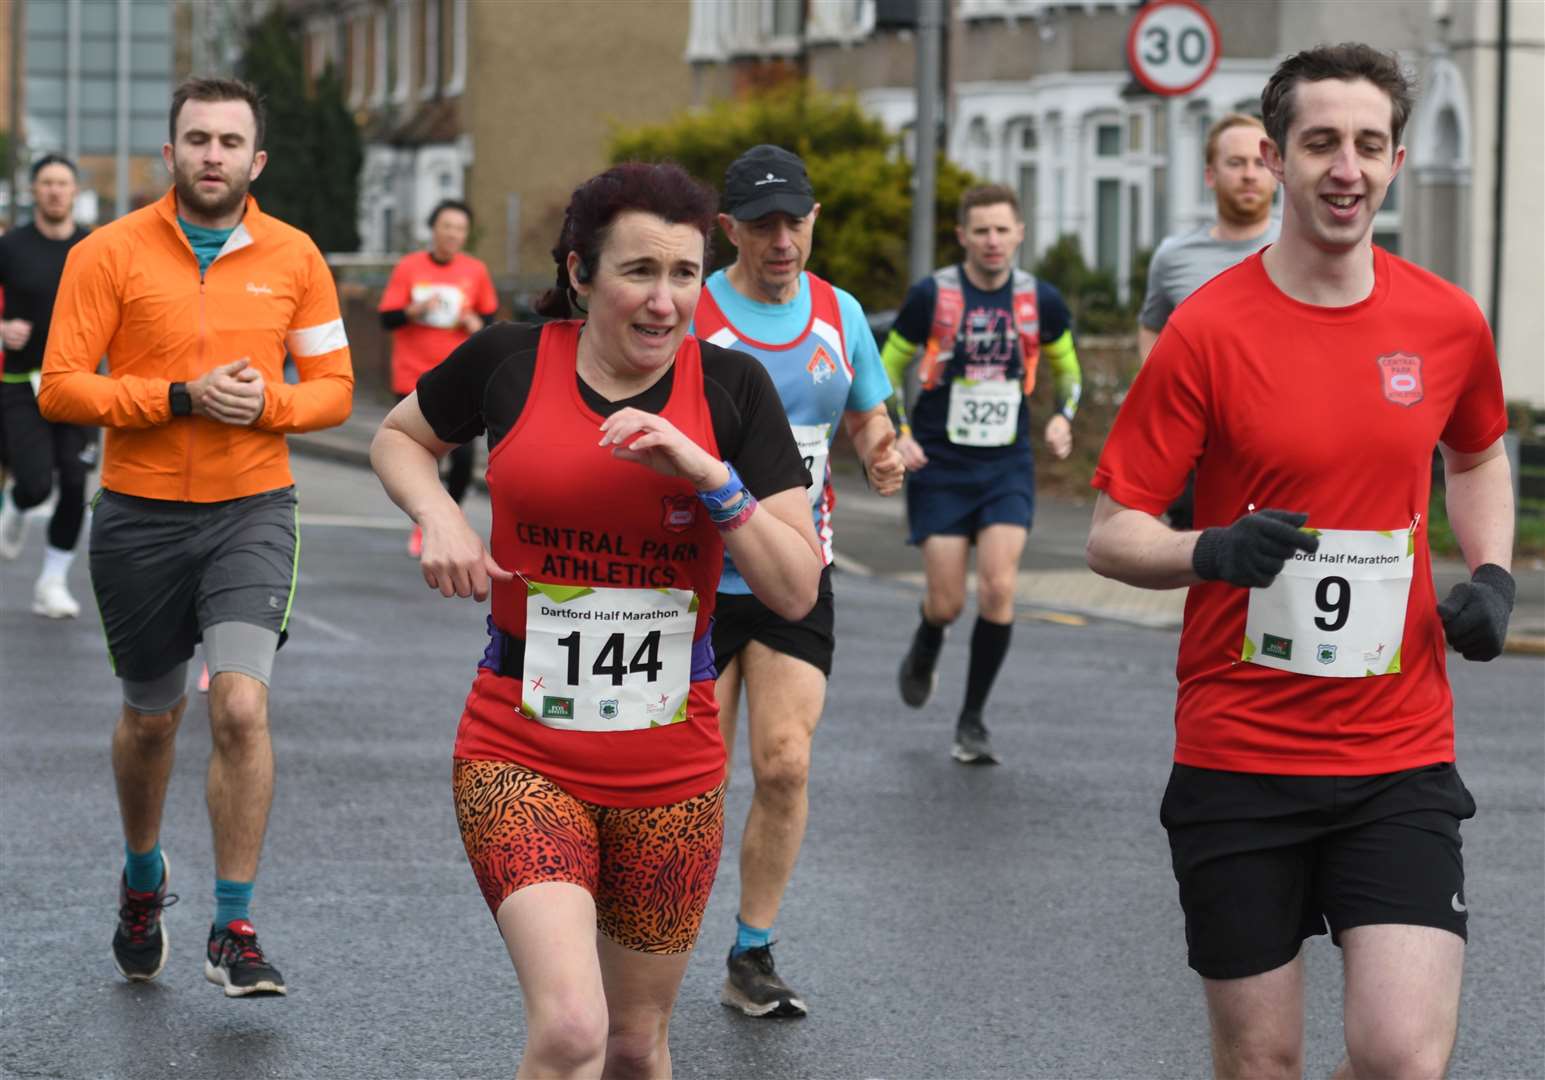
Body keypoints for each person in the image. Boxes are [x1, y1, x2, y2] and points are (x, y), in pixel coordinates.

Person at [1085, 44, 1515, 1080]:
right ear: (1277, 158)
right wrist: (1209, 551)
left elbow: (1480, 454)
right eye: (1321, 142)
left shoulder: (1446, 320)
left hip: (1397, 752)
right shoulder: (1209, 330)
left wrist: (1494, 571)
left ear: (1397, 160)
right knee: (1263, 1061)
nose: (1346, 167)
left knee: (1403, 1056)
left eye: (1368, 145)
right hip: (1241, 753)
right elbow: (1111, 528)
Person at [370, 161, 822, 1077]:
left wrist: (711, 480)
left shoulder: (731, 391)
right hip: (519, 743)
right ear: (580, 274)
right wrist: (441, 515)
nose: (664, 302)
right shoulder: (509, 360)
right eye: (638, 273)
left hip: (673, 760)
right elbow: (399, 435)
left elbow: (794, 590)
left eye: (685, 275)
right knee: (572, 1027)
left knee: (634, 1043)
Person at [39, 77, 354, 997]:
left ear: (255, 161)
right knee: (151, 720)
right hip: (137, 515)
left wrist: (273, 405)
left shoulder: (296, 257)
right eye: (195, 139)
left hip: (252, 509)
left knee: (242, 706)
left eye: (229, 141)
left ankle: (234, 924)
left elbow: (333, 388)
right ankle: (143, 877)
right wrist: (175, 397)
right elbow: (61, 385)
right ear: (167, 155)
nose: (211, 155)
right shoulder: (108, 253)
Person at [691, 144, 905, 1018]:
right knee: (690, 784)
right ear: (729, 228)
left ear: (813, 221)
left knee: (782, 766)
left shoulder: (837, 311)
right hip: (697, 584)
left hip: (795, 581)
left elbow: (867, 416)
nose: (782, 239)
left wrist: (885, 453)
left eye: (795, 221)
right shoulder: (695, 311)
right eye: (762, 223)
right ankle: (643, 939)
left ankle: (752, 952)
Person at [883, 184, 1082, 764]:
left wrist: (1063, 419)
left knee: (998, 586)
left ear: (1020, 233)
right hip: (941, 465)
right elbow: (886, 367)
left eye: (1003, 230)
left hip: (1006, 465)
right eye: (982, 231)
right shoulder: (933, 296)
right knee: (947, 603)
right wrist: (901, 431)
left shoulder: (1038, 300)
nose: (993, 241)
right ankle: (927, 641)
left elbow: (1070, 372)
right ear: (963, 236)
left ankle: (972, 721)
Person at [1138, 113, 1279, 529]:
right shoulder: (1174, 256)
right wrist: (1159, 391)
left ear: (1277, 171)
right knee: (1204, 571)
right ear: (1210, 175)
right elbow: (1152, 325)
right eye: (1235, 163)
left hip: (1282, 444)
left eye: (1259, 163)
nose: (1250, 175)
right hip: (1201, 451)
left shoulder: (1302, 248)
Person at [0, 155, 96, 617]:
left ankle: (52, 583)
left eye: (63, 183)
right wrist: (1, 328)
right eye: (46, 183)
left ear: (75, 190)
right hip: (22, 381)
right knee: (37, 483)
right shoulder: (11, 246)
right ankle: (18, 507)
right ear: (35, 191)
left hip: (80, 383)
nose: (55, 191)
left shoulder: (95, 247)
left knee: (76, 481)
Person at [378, 198, 498, 556]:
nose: (452, 234)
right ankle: (426, 521)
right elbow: (387, 319)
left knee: (462, 457)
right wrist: (414, 310)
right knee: (422, 456)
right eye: (447, 226)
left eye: (460, 229)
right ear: (434, 229)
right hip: (413, 376)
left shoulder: (475, 271)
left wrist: (475, 324)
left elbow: (490, 323)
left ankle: (450, 516)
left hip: (461, 379)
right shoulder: (409, 267)